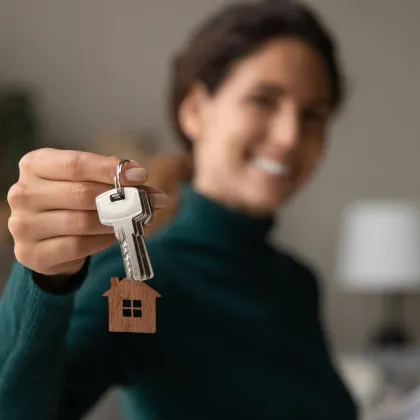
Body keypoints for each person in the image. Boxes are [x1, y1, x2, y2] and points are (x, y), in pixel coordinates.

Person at [0, 1, 358, 419]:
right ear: (195, 112)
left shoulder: (297, 283)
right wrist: (45, 279)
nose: (290, 135)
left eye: (313, 114)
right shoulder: (138, 282)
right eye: (263, 100)